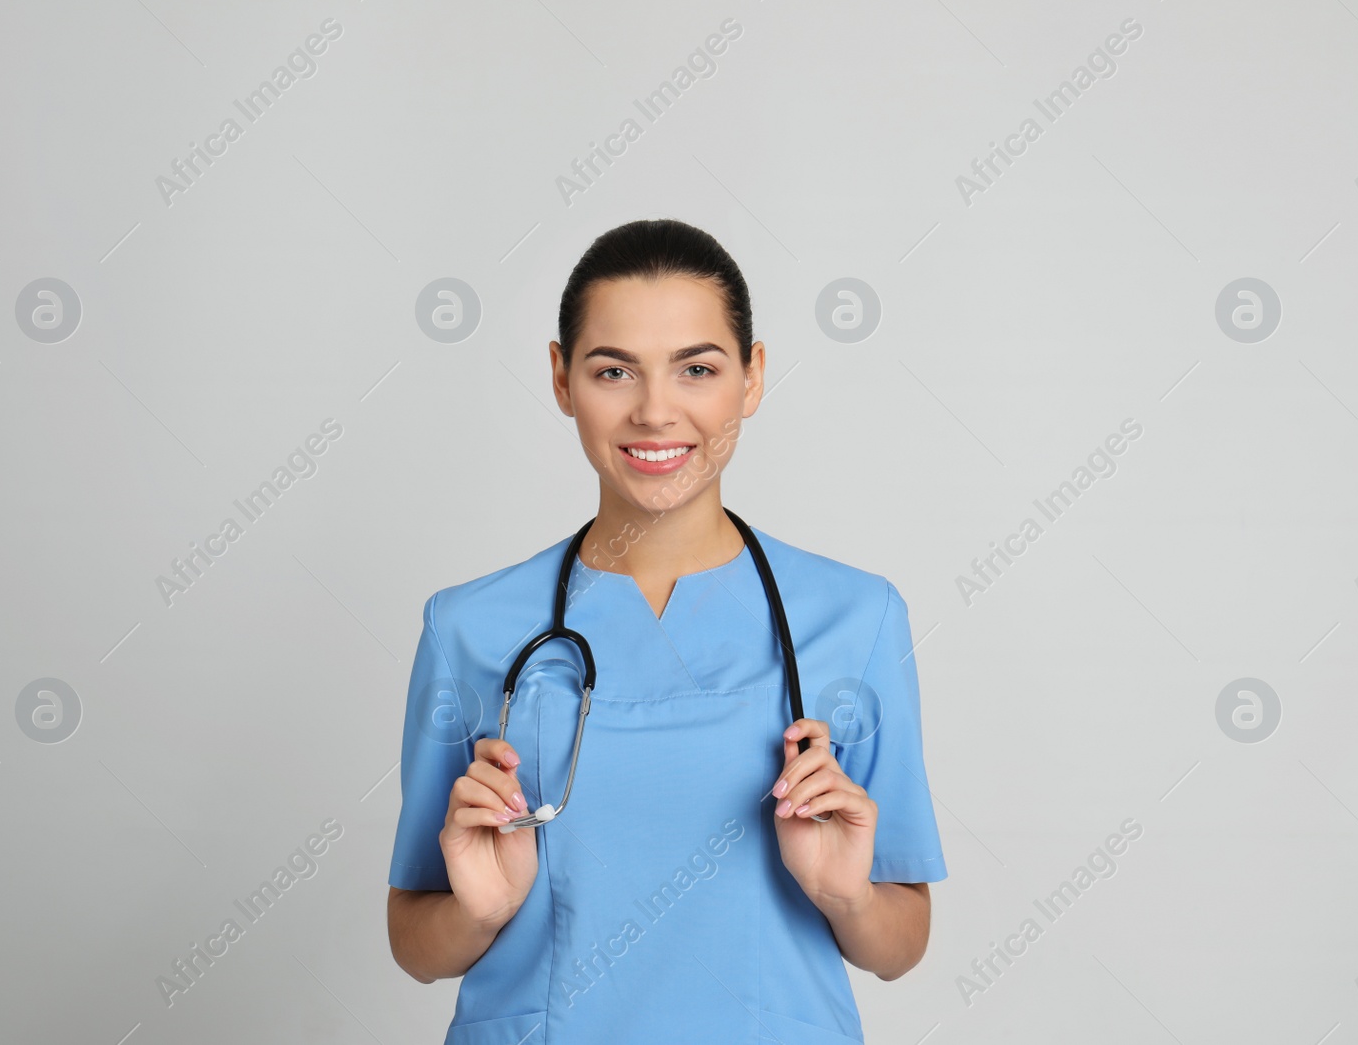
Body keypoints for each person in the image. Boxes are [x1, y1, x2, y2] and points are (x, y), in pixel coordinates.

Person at [387, 218, 946, 1044]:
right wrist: (483, 909)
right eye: (614, 370)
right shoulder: (469, 627)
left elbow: (900, 946)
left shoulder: (856, 618)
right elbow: (415, 941)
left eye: (698, 368)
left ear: (752, 378)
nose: (655, 411)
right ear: (560, 377)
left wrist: (846, 895)